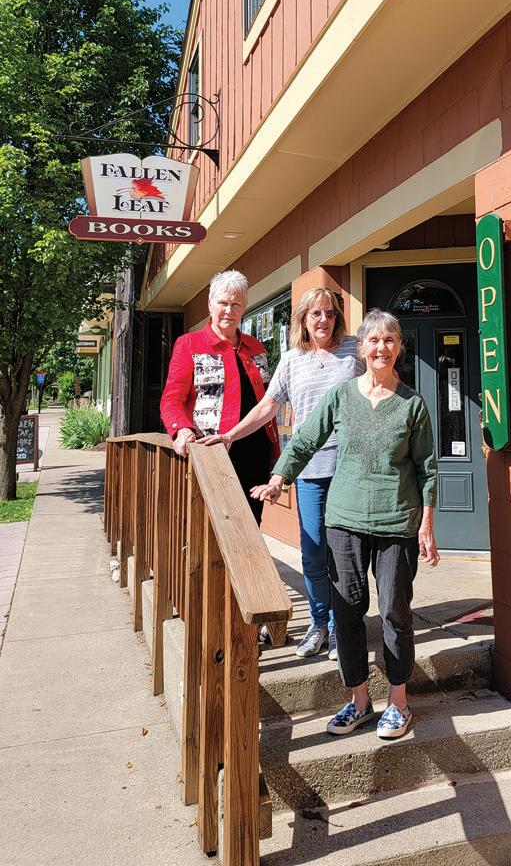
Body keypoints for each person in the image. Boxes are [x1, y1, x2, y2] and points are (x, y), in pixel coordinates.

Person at [252, 308, 439, 740]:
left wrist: (426, 524)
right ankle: (359, 700)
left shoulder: (412, 404)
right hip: (345, 520)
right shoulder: (341, 396)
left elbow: (427, 469)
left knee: (394, 611)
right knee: (348, 610)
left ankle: (399, 702)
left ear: (399, 348)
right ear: (362, 348)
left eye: (389, 340)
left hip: (396, 521)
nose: (381, 348)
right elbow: (305, 440)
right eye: (373, 340)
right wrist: (279, 478)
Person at [215, 287, 363, 659]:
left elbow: (381, 386)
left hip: (350, 470)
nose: (324, 320)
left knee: (345, 555)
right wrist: (231, 434)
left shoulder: (355, 350)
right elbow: (268, 406)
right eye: (316, 314)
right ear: (303, 319)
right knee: (313, 554)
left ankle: (343, 629)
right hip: (310, 470)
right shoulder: (293, 359)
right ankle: (320, 624)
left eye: (330, 313)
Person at [160, 270, 279, 524]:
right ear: (210, 305)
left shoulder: (256, 347)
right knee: (211, 525)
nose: (228, 310)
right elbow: (171, 400)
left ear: (244, 307)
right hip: (213, 451)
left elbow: (267, 401)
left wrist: (275, 451)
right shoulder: (189, 344)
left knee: (250, 524)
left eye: (236, 304)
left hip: (256, 452)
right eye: (223, 303)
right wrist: (181, 429)